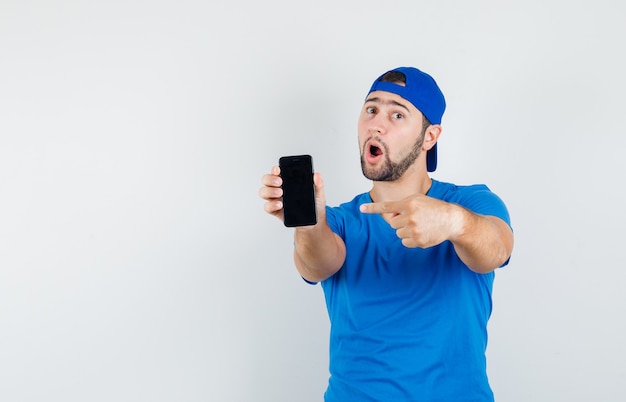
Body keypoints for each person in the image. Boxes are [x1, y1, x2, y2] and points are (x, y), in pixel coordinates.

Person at [259, 66, 514, 401]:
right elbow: (317, 264)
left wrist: (454, 223)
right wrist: (309, 224)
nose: (377, 124)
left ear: (429, 136)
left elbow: (496, 249)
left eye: (397, 114)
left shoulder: (471, 203)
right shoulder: (339, 221)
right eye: (372, 109)